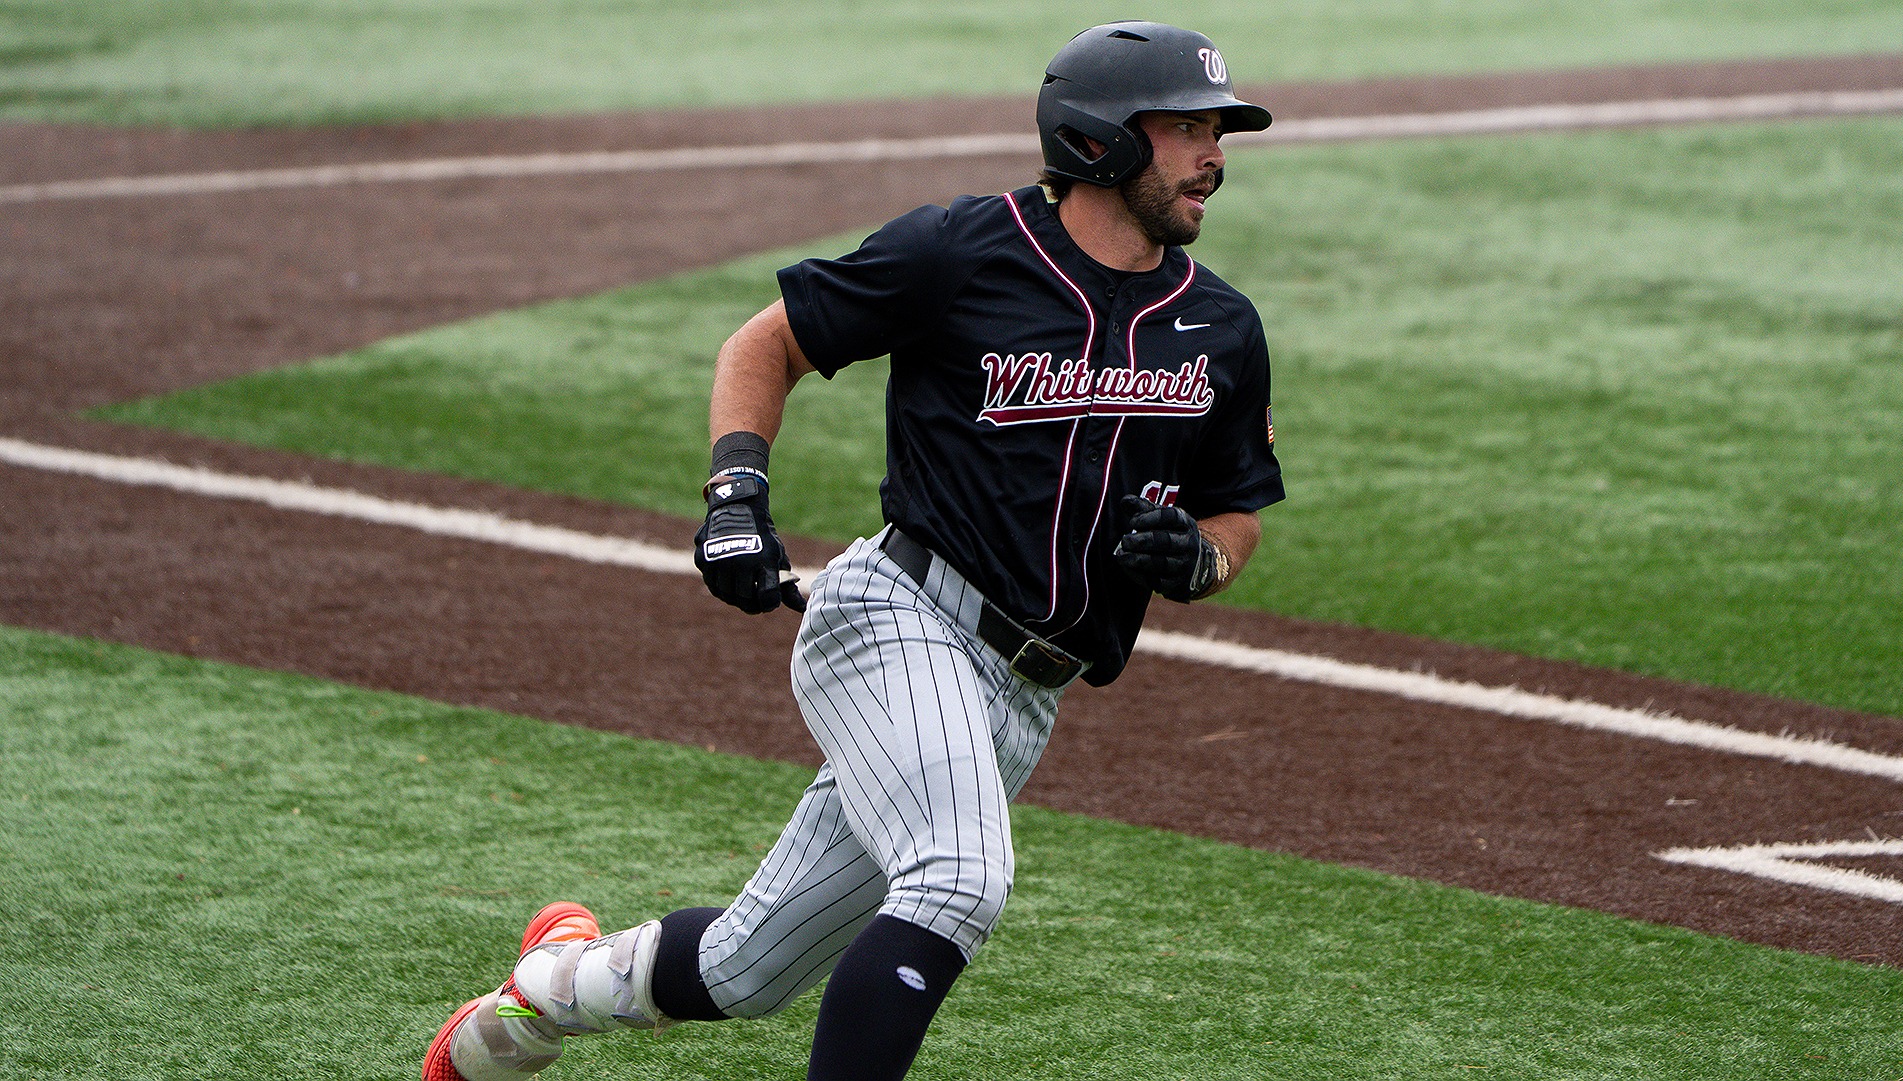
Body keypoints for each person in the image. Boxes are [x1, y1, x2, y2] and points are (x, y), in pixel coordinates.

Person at [423, 20, 1284, 1081]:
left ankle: (547, 989)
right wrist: (736, 494)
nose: (1216, 156)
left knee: (747, 967)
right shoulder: (963, 250)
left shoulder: (1221, 327)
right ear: (1102, 138)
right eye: (1189, 127)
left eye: (1219, 130)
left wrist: (1203, 559)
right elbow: (767, 341)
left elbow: (1238, 504)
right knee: (959, 879)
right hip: (898, 621)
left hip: (1023, 697)